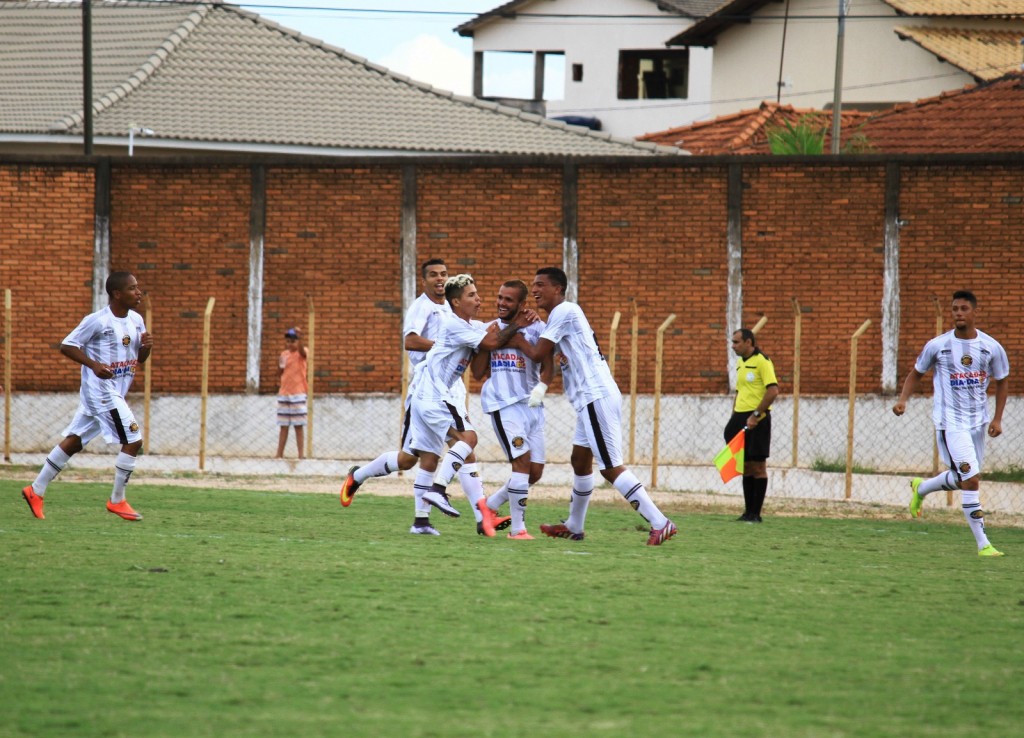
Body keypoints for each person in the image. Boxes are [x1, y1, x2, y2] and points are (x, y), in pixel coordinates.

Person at [343, 274, 528, 536]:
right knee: (467, 440)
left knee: (423, 458)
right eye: (472, 295)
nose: (479, 299)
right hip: (432, 394)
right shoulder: (452, 324)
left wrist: (514, 320)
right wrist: (518, 323)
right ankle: (441, 491)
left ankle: (426, 519)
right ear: (456, 302)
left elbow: (491, 335)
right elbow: (490, 340)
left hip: (435, 395)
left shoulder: (471, 325)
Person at [528, 267, 677, 546]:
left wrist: (515, 335)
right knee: (580, 460)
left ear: (557, 289)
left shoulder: (564, 310)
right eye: (533, 285)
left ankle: (660, 522)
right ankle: (574, 526)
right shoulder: (560, 316)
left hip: (595, 396)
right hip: (590, 398)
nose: (534, 290)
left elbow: (537, 353)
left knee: (610, 467)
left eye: (540, 285)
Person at [21, 271, 153, 521]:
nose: (138, 292)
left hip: (115, 391)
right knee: (134, 440)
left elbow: (140, 359)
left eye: (137, 287)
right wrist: (93, 365)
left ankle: (35, 490)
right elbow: (67, 345)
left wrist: (146, 348)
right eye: (132, 288)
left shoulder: (136, 320)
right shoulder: (97, 321)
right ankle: (117, 500)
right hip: (101, 392)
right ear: (117, 294)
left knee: (75, 441)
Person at [892, 290, 1009, 557]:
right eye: (955, 309)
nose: (958, 313)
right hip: (951, 423)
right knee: (971, 480)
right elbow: (916, 373)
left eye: (963, 309)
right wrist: (903, 400)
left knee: (963, 478)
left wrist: (997, 418)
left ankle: (921, 488)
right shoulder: (938, 345)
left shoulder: (991, 347)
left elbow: (1002, 381)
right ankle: (983, 544)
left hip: (977, 423)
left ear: (975, 312)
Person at [470, 280, 552, 540]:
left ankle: (489, 506)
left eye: (508, 300)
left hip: (533, 406)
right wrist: (492, 342)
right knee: (522, 463)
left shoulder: (538, 328)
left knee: (534, 472)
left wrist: (541, 388)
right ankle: (518, 530)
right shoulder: (489, 330)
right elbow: (477, 372)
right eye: (500, 298)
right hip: (504, 405)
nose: (501, 303)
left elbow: (547, 363)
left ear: (522, 304)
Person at [725, 328, 780, 522]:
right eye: (732, 342)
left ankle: (756, 514)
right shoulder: (741, 362)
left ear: (748, 342)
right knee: (746, 465)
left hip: (757, 419)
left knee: (758, 466)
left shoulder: (762, 361)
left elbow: (773, 391)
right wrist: (734, 415)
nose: (733, 346)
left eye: (736, 342)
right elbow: (740, 391)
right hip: (740, 416)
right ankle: (747, 512)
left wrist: (756, 415)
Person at [275, 327, 308, 459]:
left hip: (298, 394)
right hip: (284, 393)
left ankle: (301, 455)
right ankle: (279, 454)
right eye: (288, 341)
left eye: (293, 341)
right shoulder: (284, 354)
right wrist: (279, 366)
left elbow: (303, 352)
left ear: (298, 341)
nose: (290, 344)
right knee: (283, 426)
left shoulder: (302, 352)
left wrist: (299, 339)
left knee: (298, 426)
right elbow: (279, 372)